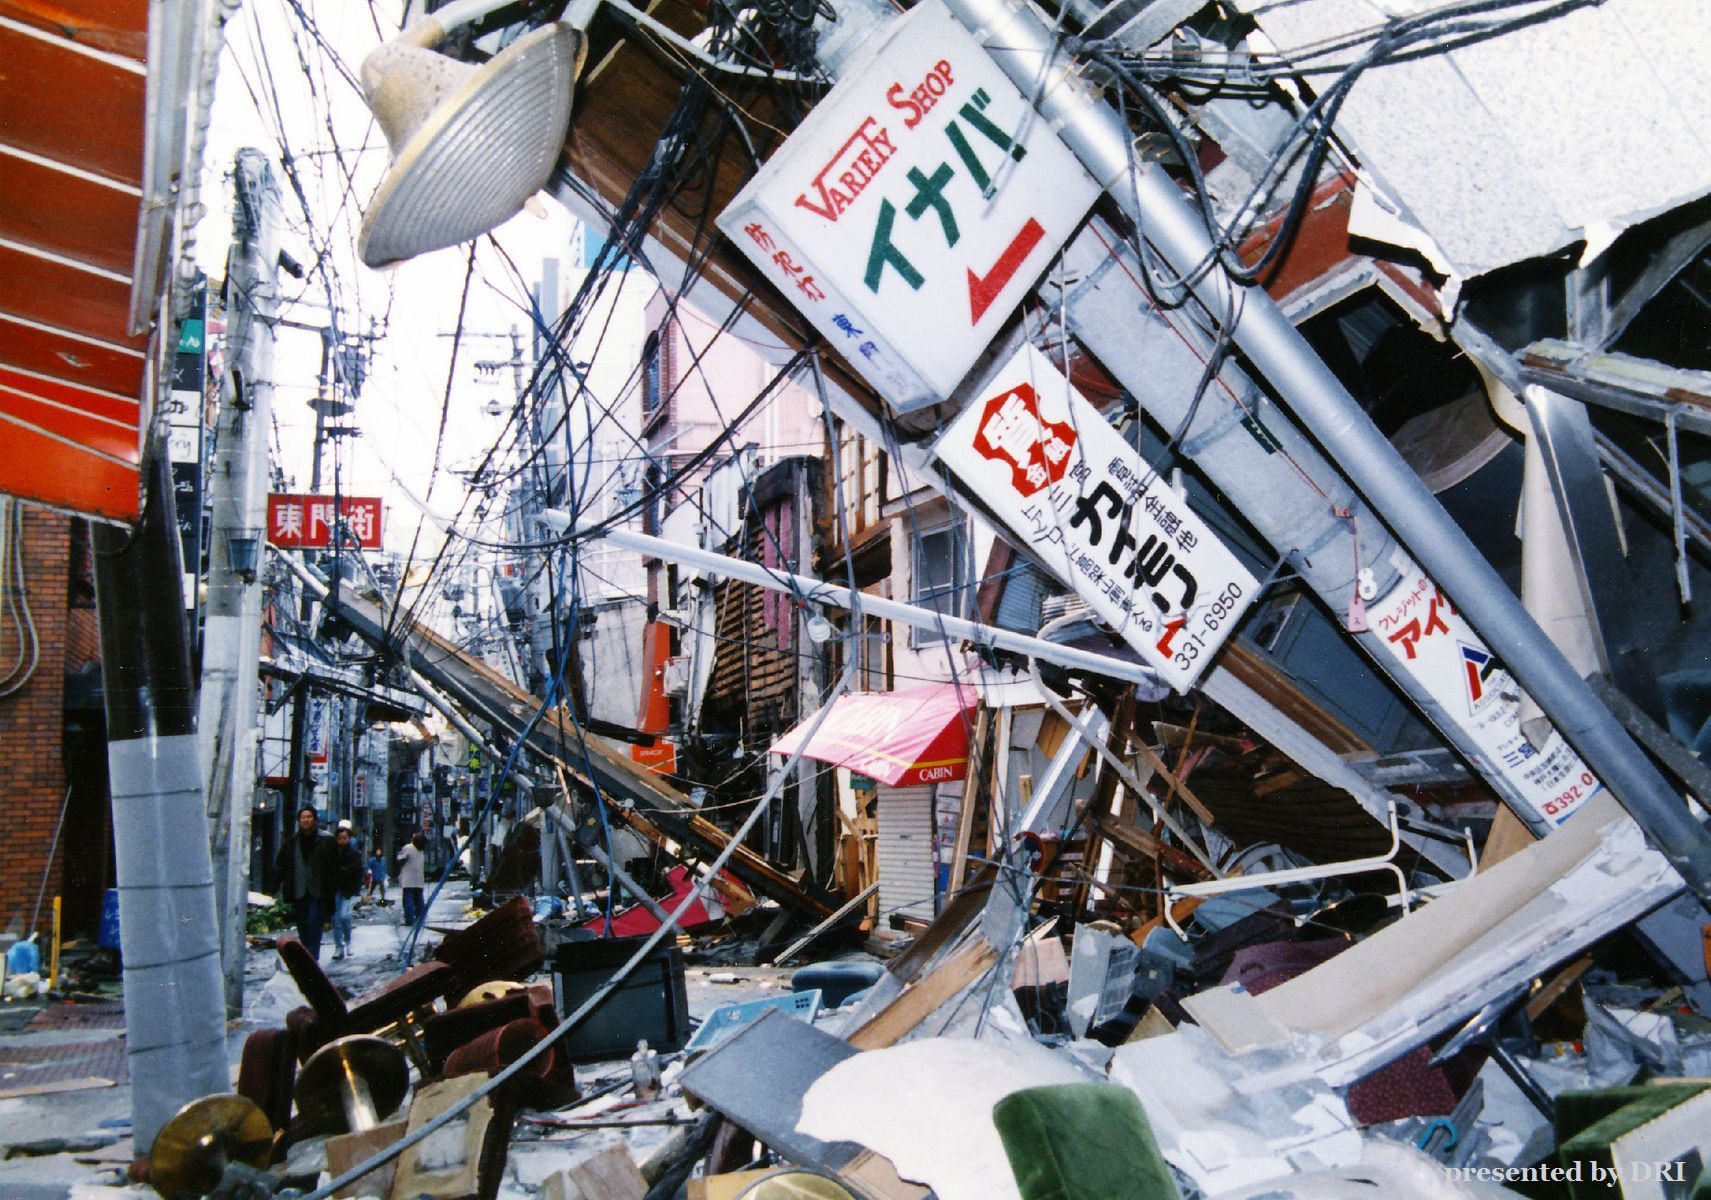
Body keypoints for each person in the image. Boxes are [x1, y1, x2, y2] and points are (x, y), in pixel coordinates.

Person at [273, 806, 330, 959]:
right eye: (303, 817)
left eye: (309, 817)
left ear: (315, 820)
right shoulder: (291, 843)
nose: (306, 820)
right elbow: (280, 866)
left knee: (313, 923)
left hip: (318, 891)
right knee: (303, 926)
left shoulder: (326, 840)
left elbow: (333, 868)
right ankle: (307, 958)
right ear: (299, 821)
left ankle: (313, 958)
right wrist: (272, 888)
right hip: (298, 890)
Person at [322, 824, 364, 961]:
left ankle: (348, 941)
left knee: (344, 916)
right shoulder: (331, 853)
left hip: (349, 890)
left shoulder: (354, 854)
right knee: (336, 919)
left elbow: (357, 873)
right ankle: (339, 947)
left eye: (345, 838)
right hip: (335, 889)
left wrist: (356, 890)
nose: (342, 840)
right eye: (339, 838)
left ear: (349, 838)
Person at [396, 832, 427, 929]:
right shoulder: (421, 850)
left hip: (408, 879)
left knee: (408, 900)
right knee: (419, 900)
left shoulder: (408, 847)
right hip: (419, 879)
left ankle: (409, 920)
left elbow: (400, 859)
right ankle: (420, 919)